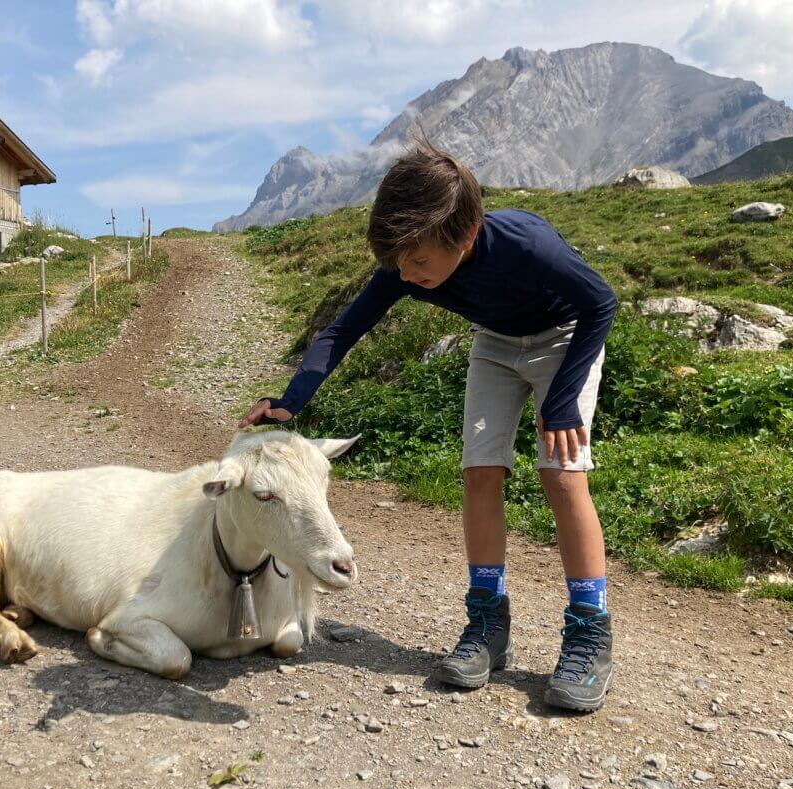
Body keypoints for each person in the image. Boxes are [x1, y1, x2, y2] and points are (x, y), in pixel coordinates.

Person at [238, 137, 618, 711]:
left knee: (562, 475)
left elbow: (601, 304)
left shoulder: (529, 245)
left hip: (564, 339)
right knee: (479, 473)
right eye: (398, 263)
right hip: (494, 345)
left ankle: (590, 629)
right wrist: (290, 402)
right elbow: (344, 330)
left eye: (418, 262)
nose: (407, 274)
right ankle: (488, 623)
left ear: (465, 236)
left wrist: (561, 401)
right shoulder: (407, 262)